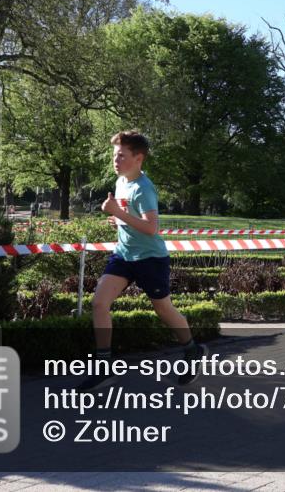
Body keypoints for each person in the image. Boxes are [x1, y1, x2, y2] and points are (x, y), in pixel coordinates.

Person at [78, 130, 207, 390]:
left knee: (163, 309)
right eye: (114, 155)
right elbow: (129, 217)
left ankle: (192, 350)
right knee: (99, 303)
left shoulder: (144, 189)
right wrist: (117, 217)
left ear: (139, 158)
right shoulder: (121, 182)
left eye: (121, 156)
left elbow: (151, 228)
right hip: (124, 255)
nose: (116, 161)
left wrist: (119, 213)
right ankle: (104, 366)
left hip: (150, 259)